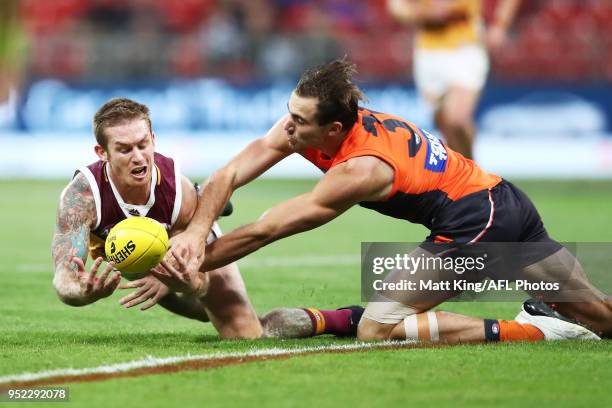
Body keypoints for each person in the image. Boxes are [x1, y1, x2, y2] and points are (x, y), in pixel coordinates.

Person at [158, 60, 610, 344]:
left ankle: (532, 329)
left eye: (298, 120)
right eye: (289, 113)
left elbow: (268, 227)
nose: (287, 128)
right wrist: (197, 233)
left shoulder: (362, 168)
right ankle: (551, 312)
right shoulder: (316, 126)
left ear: (334, 129)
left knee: (378, 326)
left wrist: (195, 264)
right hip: (505, 202)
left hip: (476, 225)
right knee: (602, 320)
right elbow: (228, 174)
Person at [51, 97, 362, 340]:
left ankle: (344, 319)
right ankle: (210, 205)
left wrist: (187, 283)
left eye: (143, 144)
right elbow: (64, 278)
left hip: (186, 242)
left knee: (245, 332)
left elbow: (200, 278)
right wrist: (83, 293)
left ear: (153, 140)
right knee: (203, 314)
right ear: (102, 152)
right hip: (142, 259)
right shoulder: (82, 198)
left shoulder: (177, 193)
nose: (138, 156)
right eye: (124, 149)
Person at [387, 0, 522, 160]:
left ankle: (473, 175)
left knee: (456, 119)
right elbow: (397, 8)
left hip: (465, 49)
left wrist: (500, 25)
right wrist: (421, 13)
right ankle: (465, 174)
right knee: (445, 124)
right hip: (428, 54)